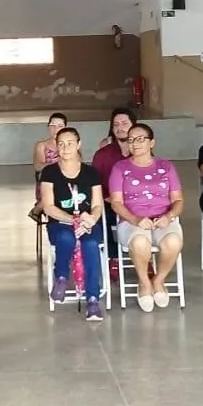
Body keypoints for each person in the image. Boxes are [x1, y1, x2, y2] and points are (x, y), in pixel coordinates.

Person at [108, 123, 184, 313]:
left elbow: (178, 200)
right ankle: (144, 283)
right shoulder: (120, 168)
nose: (135, 143)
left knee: (173, 242)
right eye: (131, 140)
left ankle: (158, 280)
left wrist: (169, 216)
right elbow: (116, 203)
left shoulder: (166, 167)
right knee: (140, 242)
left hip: (163, 220)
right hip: (132, 221)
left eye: (140, 139)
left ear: (152, 142)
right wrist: (135, 220)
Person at [39, 127, 105, 321]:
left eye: (70, 143)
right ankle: (61, 276)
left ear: (79, 145)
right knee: (65, 237)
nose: (65, 148)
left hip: (87, 223)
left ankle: (92, 299)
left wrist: (91, 218)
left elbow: (97, 205)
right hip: (61, 222)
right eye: (61, 144)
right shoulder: (49, 172)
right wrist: (73, 220)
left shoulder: (91, 173)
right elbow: (49, 207)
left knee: (91, 245)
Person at [91, 107, 136, 277]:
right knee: (99, 216)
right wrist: (109, 199)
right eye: (116, 124)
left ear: (134, 125)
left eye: (124, 123)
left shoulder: (142, 151)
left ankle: (144, 259)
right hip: (109, 203)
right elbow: (94, 184)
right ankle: (113, 258)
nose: (120, 127)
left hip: (137, 204)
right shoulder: (103, 155)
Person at [29, 112, 67, 221]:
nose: (56, 129)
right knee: (56, 185)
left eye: (60, 126)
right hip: (47, 182)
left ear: (65, 128)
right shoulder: (42, 145)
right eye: (52, 126)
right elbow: (38, 167)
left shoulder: (72, 144)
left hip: (68, 180)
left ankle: (37, 209)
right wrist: (59, 162)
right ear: (48, 127)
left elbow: (77, 163)